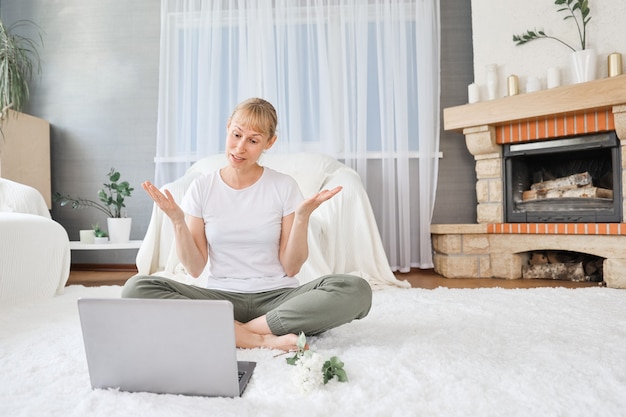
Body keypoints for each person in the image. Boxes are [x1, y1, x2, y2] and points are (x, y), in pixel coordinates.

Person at [122, 97, 372, 352]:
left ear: (269, 143)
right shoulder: (202, 188)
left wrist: (301, 218)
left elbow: (292, 266)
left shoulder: (283, 186)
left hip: (278, 298)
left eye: (253, 141)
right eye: (236, 134)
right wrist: (177, 221)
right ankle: (262, 338)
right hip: (221, 298)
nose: (240, 147)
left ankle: (230, 329)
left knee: (356, 289)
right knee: (136, 288)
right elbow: (196, 268)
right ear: (229, 126)